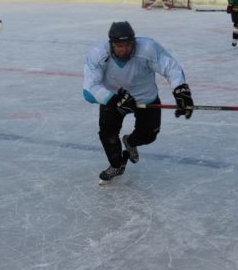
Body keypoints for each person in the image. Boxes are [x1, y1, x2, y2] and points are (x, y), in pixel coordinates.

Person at [83, 21, 194, 184]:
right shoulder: (98, 55)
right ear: (111, 44)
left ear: (134, 42)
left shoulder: (148, 48)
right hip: (114, 98)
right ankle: (116, 164)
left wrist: (181, 90)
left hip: (145, 97)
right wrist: (113, 100)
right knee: (107, 134)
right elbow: (89, 89)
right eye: (119, 46)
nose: (124, 50)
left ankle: (130, 141)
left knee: (149, 135)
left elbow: (171, 68)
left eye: (128, 45)